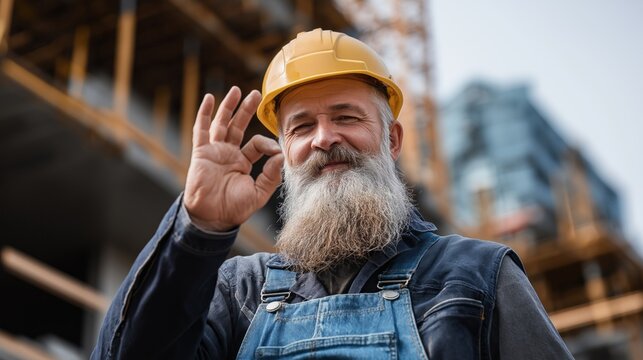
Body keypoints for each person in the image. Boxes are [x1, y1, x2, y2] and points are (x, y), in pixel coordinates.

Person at [92, 29, 572, 359]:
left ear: (392, 141)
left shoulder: (478, 275)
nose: (324, 138)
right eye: (302, 126)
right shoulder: (239, 291)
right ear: (285, 152)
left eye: (345, 117)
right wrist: (197, 229)